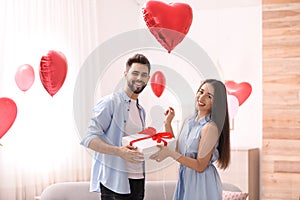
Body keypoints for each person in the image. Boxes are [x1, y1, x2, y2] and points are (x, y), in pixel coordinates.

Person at [80, 53, 151, 200]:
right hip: (114, 183)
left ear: (148, 79)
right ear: (125, 74)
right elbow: (88, 138)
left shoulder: (141, 110)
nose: (139, 78)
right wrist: (119, 152)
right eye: (135, 73)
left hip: (138, 180)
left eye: (144, 75)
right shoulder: (110, 102)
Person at [150, 79, 231, 200]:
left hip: (202, 182)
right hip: (186, 178)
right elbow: (177, 150)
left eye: (209, 96)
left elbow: (200, 166)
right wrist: (167, 123)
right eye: (201, 92)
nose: (201, 98)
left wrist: (170, 153)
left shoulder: (210, 128)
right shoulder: (189, 121)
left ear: (216, 102)